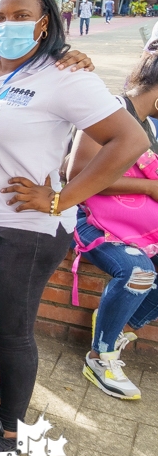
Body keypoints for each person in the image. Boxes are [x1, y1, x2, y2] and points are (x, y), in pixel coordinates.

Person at [0, 0, 147, 456]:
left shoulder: (65, 74)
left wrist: (61, 199)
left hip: (24, 228)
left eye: (20, 16)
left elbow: (129, 141)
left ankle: (10, 432)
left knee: (11, 331)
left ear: (44, 20)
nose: (7, 25)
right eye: (0, 16)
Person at [66, 45, 158, 400]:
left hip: (132, 222)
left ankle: (121, 327)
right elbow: (78, 174)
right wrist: (149, 187)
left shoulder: (150, 124)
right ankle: (99, 356)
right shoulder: (110, 110)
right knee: (138, 272)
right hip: (89, 217)